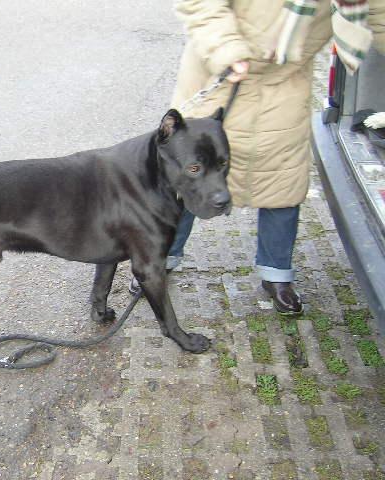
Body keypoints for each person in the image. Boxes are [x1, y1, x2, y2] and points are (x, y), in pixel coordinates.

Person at [130, 0, 385, 315]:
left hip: (284, 84)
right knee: (186, 180)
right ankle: (159, 259)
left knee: (282, 180)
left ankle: (276, 274)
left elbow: (378, 12)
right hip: (219, 74)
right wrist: (227, 49)